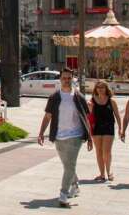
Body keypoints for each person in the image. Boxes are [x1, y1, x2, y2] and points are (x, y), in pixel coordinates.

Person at [36, 69, 94, 208]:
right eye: (64, 78)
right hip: (59, 136)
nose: (66, 80)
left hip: (76, 136)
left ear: (72, 79)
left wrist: (90, 137)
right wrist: (41, 133)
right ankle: (75, 184)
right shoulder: (55, 97)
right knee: (67, 165)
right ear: (60, 80)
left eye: (69, 78)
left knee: (70, 165)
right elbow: (48, 116)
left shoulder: (78, 96)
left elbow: (86, 117)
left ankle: (63, 194)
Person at [88, 80, 122, 182]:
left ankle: (109, 172)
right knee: (98, 151)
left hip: (108, 127)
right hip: (96, 127)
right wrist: (89, 108)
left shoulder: (111, 101)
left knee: (106, 151)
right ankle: (102, 174)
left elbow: (117, 115)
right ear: (95, 89)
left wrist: (120, 128)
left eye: (102, 87)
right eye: (98, 87)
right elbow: (89, 115)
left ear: (106, 88)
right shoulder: (92, 100)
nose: (100, 89)